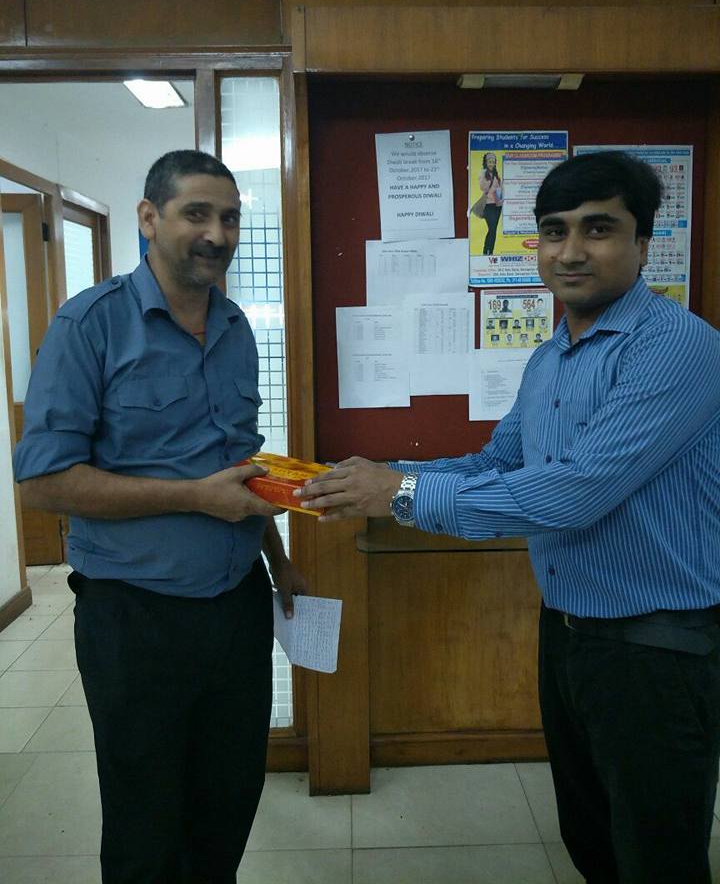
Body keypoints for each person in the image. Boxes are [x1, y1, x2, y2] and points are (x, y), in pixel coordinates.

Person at [297, 151, 720, 884]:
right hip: (569, 635)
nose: (571, 251)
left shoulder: (679, 347)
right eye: (554, 230)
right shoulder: (552, 356)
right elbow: (496, 463)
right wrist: (371, 475)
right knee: (589, 837)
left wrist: (397, 494)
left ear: (644, 244)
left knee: (658, 856)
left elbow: (574, 493)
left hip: (658, 648)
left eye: (599, 229)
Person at [13, 149, 307, 884]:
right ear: (149, 218)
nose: (217, 234)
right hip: (134, 618)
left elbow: (239, 466)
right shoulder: (90, 324)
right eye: (196, 214)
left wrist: (279, 561)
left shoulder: (236, 327)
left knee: (228, 801)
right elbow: (43, 481)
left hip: (237, 609)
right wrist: (192, 496)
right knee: (145, 822)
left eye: (229, 218)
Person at [479, 151, 503, 255]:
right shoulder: (483, 173)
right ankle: (486, 251)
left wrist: (500, 198)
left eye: (493, 162)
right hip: (488, 205)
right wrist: (487, 176)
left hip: (497, 205)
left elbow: (499, 188)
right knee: (492, 229)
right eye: (489, 162)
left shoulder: (496, 174)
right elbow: (483, 187)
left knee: (494, 230)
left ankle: (490, 252)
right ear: (486, 162)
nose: (491, 164)